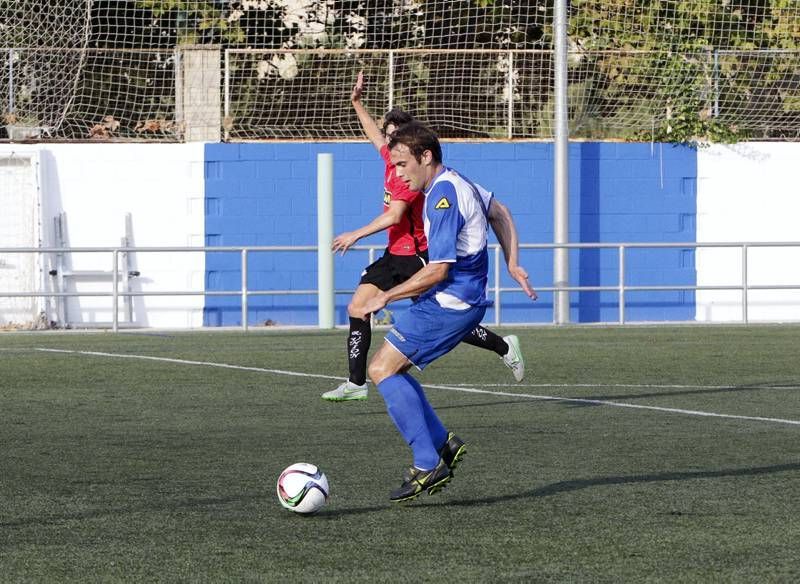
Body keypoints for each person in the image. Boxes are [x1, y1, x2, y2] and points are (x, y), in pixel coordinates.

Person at [358, 121, 537, 502]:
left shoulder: (442, 196)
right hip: (456, 300)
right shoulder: (459, 180)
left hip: (451, 302)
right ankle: (444, 445)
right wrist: (512, 262)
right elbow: (500, 213)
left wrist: (385, 297)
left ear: (426, 157)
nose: (399, 173)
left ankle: (428, 464)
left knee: (380, 369)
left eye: (404, 164)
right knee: (395, 369)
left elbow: (438, 268)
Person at [322, 72, 525, 402]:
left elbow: (395, 215)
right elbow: (374, 135)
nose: (388, 145)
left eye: (395, 140)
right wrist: (357, 104)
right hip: (394, 253)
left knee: (445, 319)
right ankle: (356, 382)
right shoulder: (394, 161)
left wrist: (355, 234)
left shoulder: (416, 178)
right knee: (357, 306)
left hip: (417, 255)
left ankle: (502, 345)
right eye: (388, 141)